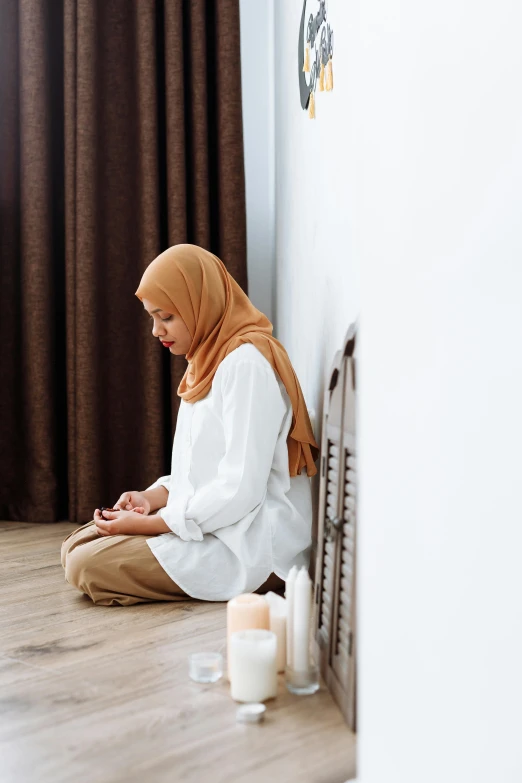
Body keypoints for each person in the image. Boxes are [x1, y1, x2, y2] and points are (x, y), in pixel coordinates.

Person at [61, 244, 318, 606]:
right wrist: (150, 500)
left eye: (165, 316)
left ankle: (259, 582)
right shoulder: (207, 360)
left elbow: (240, 488)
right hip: (218, 523)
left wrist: (154, 523)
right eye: (152, 317)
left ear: (202, 303)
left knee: (85, 563)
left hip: (251, 543)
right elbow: (201, 471)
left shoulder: (246, 365)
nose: (155, 331)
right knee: (78, 544)